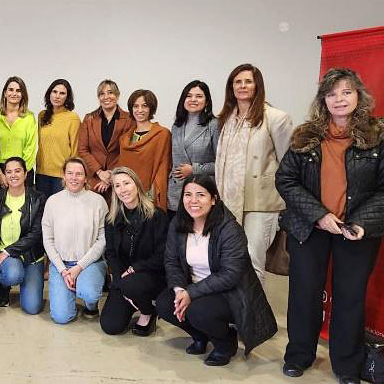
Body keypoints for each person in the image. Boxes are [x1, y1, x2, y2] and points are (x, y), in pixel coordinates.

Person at [276, 68, 384, 383]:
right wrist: (319, 215)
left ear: (359, 96)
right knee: (303, 294)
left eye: (346, 92)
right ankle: (298, 355)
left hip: (356, 231)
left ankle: (347, 366)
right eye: (332, 93)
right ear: (323, 99)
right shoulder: (305, 135)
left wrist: (363, 222)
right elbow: (285, 179)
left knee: (350, 298)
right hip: (308, 228)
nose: (339, 99)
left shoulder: (377, 135)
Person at [155, 175, 277, 367]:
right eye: (188, 195)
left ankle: (225, 343)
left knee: (198, 311)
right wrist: (180, 290)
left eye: (200, 195)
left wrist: (190, 293)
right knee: (164, 304)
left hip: (230, 293)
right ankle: (201, 335)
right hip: (192, 287)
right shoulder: (178, 223)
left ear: (213, 199)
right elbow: (171, 261)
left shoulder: (229, 228)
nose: (193, 200)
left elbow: (230, 274)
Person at [215, 63, 292, 283]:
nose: (242, 86)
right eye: (237, 81)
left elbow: (288, 164)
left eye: (248, 81)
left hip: (260, 203)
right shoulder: (227, 119)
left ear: (257, 85)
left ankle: (251, 317)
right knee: (228, 260)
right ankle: (232, 314)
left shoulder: (276, 118)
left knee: (250, 262)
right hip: (228, 202)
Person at [99, 167, 167, 336]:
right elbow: (111, 253)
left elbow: (162, 255)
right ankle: (131, 299)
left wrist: (135, 269)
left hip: (149, 274)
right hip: (123, 277)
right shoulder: (111, 219)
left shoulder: (156, 215)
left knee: (132, 285)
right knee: (110, 326)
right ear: (114, 191)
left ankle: (148, 310)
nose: (123, 189)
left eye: (127, 183)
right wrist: (119, 277)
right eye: (117, 186)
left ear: (137, 185)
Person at [42, 157, 108, 324]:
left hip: (89, 262)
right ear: (63, 177)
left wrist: (79, 268)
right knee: (61, 317)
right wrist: (63, 270)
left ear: (86, 178)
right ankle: (71, 290)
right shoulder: (53, 201)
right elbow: (48, 240)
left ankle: (90, 305)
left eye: (79, 174)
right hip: (61, 265)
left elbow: (102, 240)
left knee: (89, 293)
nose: (74, 177)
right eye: (70, 173)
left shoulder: (98, 202)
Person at [0, 157, 46, 314]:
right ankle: (4, 286)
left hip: (31, 256)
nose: (13, 175)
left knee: (32, 308)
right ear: (4, 175)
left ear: (26, 173)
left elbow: (36, 233)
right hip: (6, 257)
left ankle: (25, 281)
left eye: (17, 171)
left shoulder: (38, 198)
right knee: (14, 274)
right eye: (9, 172)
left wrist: (9, 250)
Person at [168, 80, 219, 219]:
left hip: (201, 191)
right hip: (176, 192)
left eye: (199, 96)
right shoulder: (176, 126)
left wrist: (194, 170)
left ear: (207, 101)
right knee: (176, 236)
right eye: (189, 96)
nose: (193, 100)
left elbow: (222, 164)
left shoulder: (214, 125)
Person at [117, 89, 172, 211]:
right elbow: (122, 171)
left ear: (151, 108)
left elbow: (163, 167)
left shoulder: (162, 134)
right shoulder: (124, 139)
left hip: (150, 197)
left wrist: (151, 194)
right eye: (136, 106)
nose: (140, 110)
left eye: (144, 106)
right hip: (127, 197)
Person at [78, 80, 132, 198]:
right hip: (93, 180)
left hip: (119, 180)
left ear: (117, 95)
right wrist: (99, 172)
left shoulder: (129, 119)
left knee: (115, 215)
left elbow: (127, 152)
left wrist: (111, 175)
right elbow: (82, 149)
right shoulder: (89, 119)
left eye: (110, 92)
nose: (106, 97)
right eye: (102, 94)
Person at [36, 79, 80, 200]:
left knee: (61, 213)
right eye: (54, 92)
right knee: (43, 212)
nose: (57, 96)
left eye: (62, 93)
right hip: (41, 173)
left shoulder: (73, 118)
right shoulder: (42, 115)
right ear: (49, 93)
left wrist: (70, 174)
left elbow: (75, 150)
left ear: (67, 97)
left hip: (62, 175)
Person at [0, 76, 38, 187]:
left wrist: (19, 174)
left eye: (18, 90)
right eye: (11, 90)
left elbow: (30, 148)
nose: (14, 93)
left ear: (23, 95)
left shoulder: (29, 117)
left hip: (23, 170)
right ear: (5, 93)